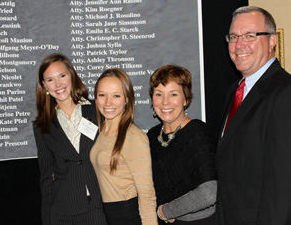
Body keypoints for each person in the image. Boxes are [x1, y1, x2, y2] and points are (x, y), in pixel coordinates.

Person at [215, 6, 291, 225]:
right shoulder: (235, 91)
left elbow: (282, 186)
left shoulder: (285, 93)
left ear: (272, 41)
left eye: (250, 35)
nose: (239, 45)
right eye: (233, 37)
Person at [33, 53, 107, 225]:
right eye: (50, 80)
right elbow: (46, 177)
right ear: (44, 86)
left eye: (62, 76)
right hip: (64, 212)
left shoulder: (98, 110)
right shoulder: (42, 126)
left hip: (101, 206)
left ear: (72, 76)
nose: (58, 84)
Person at [147, 65, 217, 225]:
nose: (165, 102)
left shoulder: (198, 132)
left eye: (173, 94)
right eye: (159, 94)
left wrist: (165, 211)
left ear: (186, 99)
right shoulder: (151, 136)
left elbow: (209, 193)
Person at [90, 68, 158, 225]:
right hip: (109, 216)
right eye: (102, 95)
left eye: (116, 96)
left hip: (128, 216)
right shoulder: (102, 131)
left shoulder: (134, 138)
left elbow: (147, 195)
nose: (108, 102)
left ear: (127, 99)